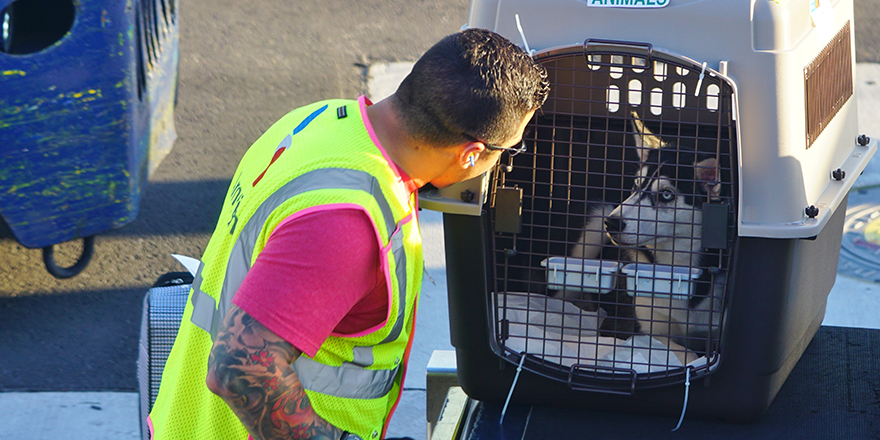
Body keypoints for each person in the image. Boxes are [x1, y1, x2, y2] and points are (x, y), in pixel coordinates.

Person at [147, 28, 549, 440]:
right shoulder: (351, 223)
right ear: (470, 153)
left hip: (187, 419)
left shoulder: (320, 121)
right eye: (508, 150)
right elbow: (239, 364)